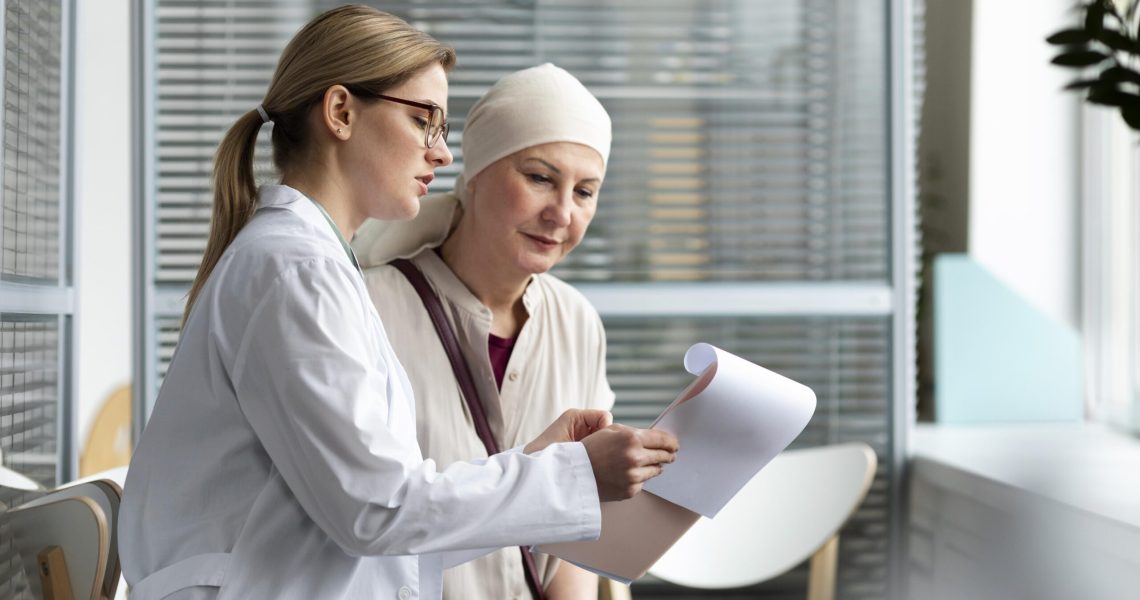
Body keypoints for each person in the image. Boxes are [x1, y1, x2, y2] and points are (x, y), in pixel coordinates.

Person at [118, 6, 678, 600]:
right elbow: (379, 513)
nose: (441, 155)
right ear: (340, 112)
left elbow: (388, 519)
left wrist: (545, 463)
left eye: (441, 130)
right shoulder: (297, 272)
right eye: (422, 121)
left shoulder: (313, 266)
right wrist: (573, 476)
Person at [352, 63, 619, 600]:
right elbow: (364, 518)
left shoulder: (576, 321)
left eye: (585, 192)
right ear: (473, 174)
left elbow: (581, 525)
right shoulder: (369, 307)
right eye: (540, 177)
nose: (561, 213)